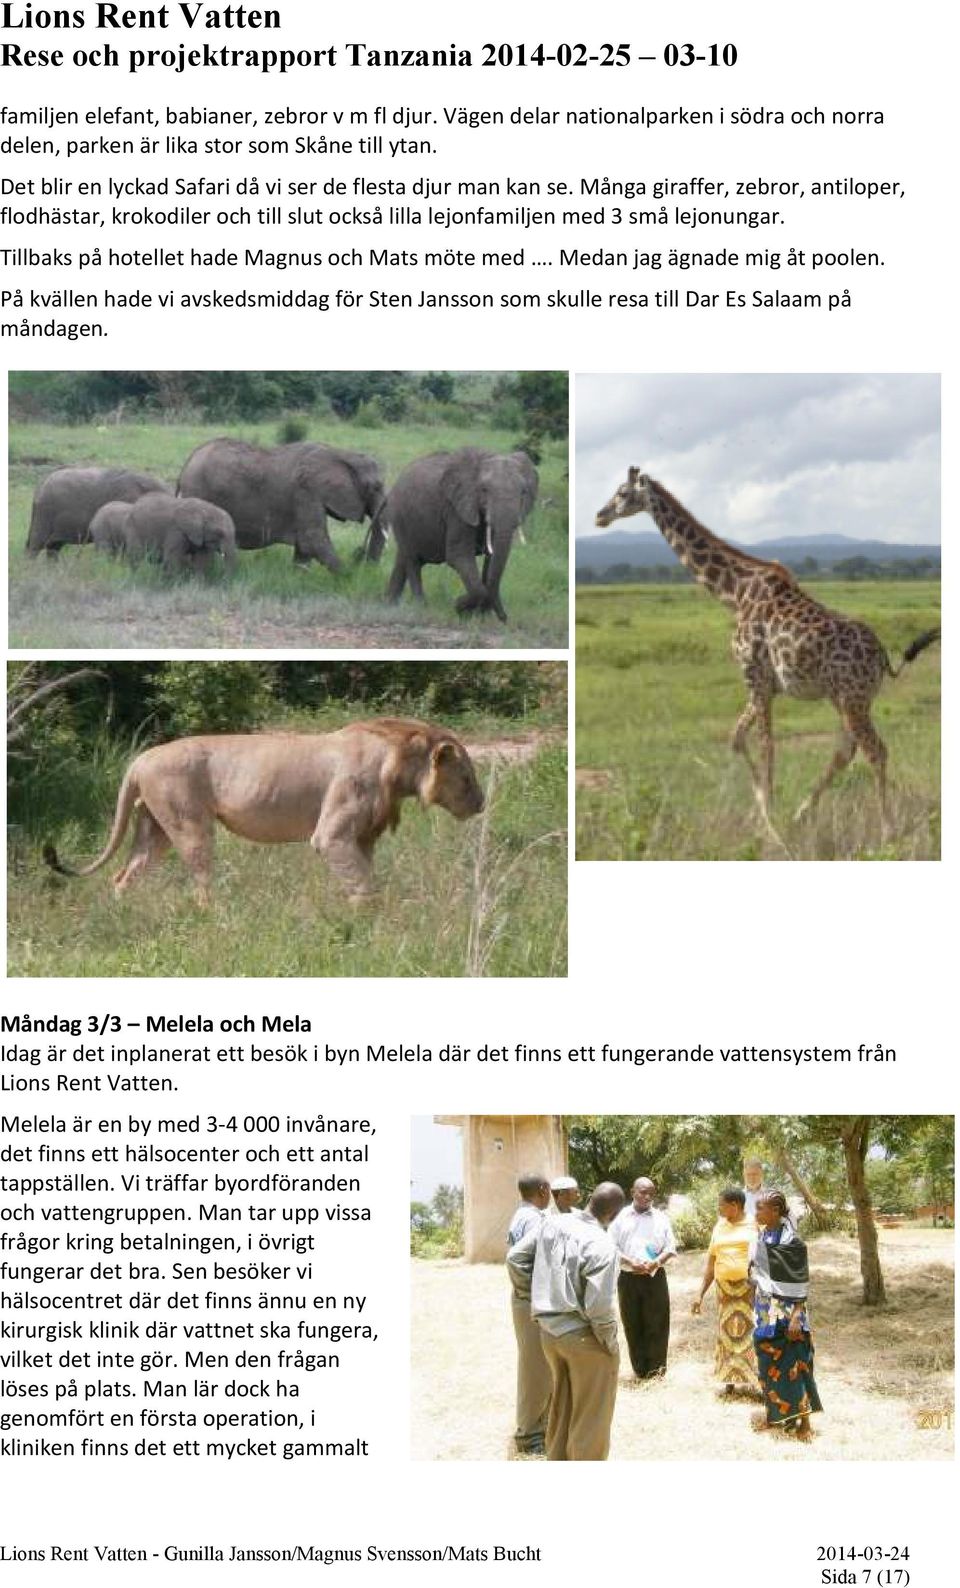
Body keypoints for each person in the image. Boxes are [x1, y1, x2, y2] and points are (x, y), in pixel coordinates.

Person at [507, 1183, 624, 1460]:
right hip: (585, 1337)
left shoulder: (553, 1224)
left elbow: (515, 1259)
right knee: (590, 1420)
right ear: (614, 1215)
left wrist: (536, 1294)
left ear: (590, 1200)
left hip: (550, 1334)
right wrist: (609, 1341)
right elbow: (599, 1306)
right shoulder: (601, 1243)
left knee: (562, 1410)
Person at [750, 1190, 823, 1442]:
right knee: (768, 1366)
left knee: (797, 1365)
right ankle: (777, 1417)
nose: (756, 1213)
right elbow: (757, 1272)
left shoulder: (793, 1243)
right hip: (764, 1311)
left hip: (790, 1313)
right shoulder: (762, 1237)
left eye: (761, 1208)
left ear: (776, 1212)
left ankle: (805, 1422)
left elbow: (801, 1282)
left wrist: (796, 1318)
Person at [690, 1187, 758, 1395]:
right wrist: (699, 1293)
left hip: (748, 1289)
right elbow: (711, 1262)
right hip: (725, 1290)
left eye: (722, 1205)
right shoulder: (719, 1226)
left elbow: (764, 1256)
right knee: (727, 1334)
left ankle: (754, 1380)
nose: (719, 1209)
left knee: (751, 1333)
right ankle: (729, 1379)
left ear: (735, 1206)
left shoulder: (753, 1224)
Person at [609, 1177, 676, 1379]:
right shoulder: (620, 1218)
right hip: (629, 1278)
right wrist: (631, 1262)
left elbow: (670, 1247)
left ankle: (657, 1370)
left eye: (651, 1193)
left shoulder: (661, 1218)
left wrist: (656, 1263)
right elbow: (611, 1247)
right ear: (632, 1192)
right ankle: (640, 1370)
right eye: (642, 1192)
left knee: (658, 1322)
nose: (647, 1197)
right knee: (632, 1322)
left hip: (655, 1277)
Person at [506, 1173, 553, 1455]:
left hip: (526, 1300)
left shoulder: (520, 1215)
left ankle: (541, 1425)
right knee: (535, 1371)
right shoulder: (534, 1219)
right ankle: (529, 1436)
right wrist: (531, 1293)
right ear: (543, 1190)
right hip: (530, 1302)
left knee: (538, 1366)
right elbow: (517, 1261)